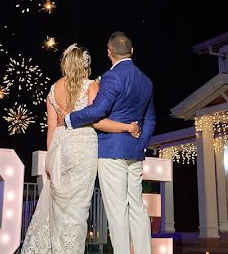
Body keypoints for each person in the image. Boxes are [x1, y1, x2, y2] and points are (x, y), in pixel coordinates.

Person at [21, 44, 141, 254]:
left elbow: (51, 129)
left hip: (59, 148)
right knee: (77, 208)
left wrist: (50, 160)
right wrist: (127, 127)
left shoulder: (53, 89)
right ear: (85, 64)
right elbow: (97, 121)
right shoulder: (91, 86)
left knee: (58, 207)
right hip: (83, 148)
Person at [63, 31, 156, 254]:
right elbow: (151, 118)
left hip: (111, 150)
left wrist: (69, 119)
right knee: (137, 207)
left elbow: (98, 110)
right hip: (135, 151)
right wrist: (140, 143)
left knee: (117, 211)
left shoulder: (112, 77)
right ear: (131, 51)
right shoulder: (146, 80)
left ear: (108, 51)